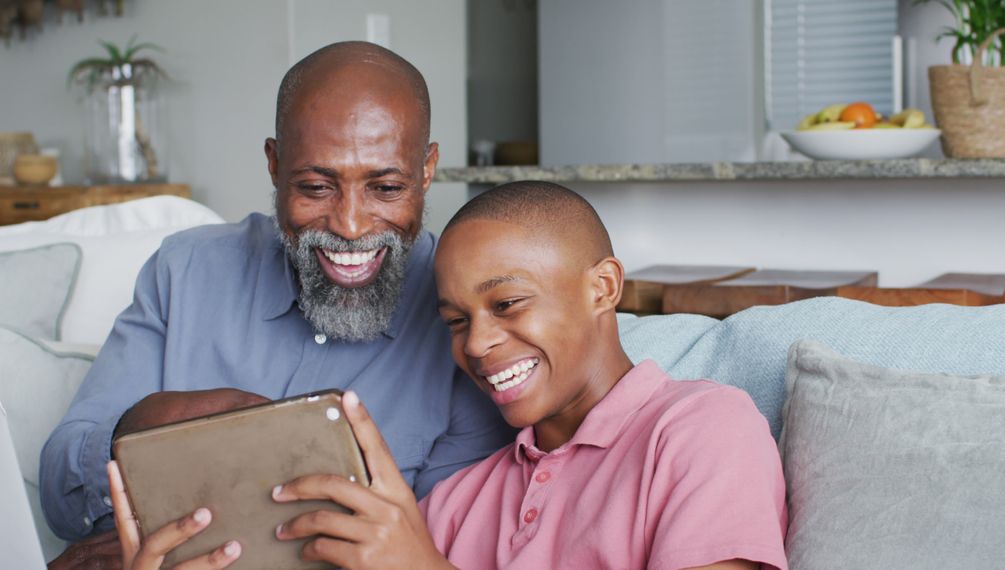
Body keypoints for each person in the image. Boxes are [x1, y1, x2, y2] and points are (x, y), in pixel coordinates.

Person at [111, 181, 788, 569]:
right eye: (456, 320)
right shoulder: (459, 502)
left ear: (603, 288)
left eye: (508, 303)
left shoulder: (700, 429)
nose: (482, 344)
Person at [41, 41, 512, 567]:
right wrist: (156, 422)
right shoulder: (185, 270)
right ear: (274, 164)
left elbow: (439, 546)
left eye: (385, 187)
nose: (350, 226)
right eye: (315, 186)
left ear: (427, 170)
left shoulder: (465, 313)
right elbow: (63, 493)